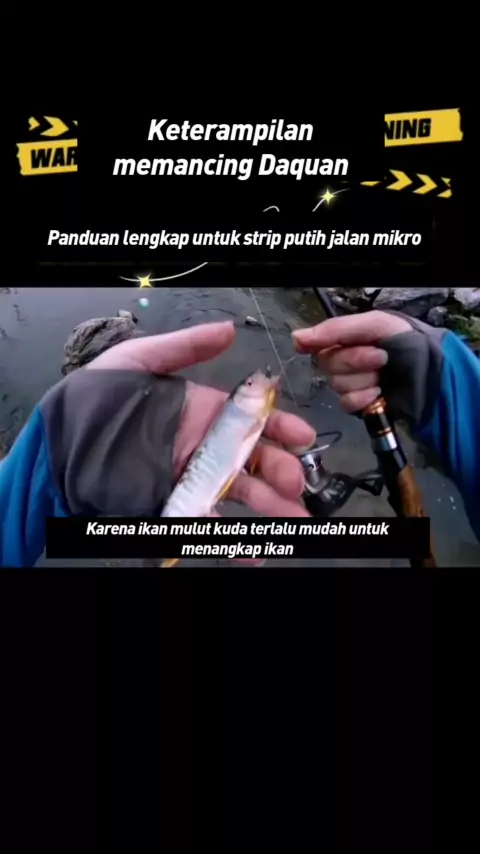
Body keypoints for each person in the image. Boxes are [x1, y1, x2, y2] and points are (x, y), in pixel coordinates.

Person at [1, 309, 479, 567]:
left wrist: (39, 469)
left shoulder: (253, 412)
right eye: (251, 383)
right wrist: (442, 378)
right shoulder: (249, 413)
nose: (259, 382)